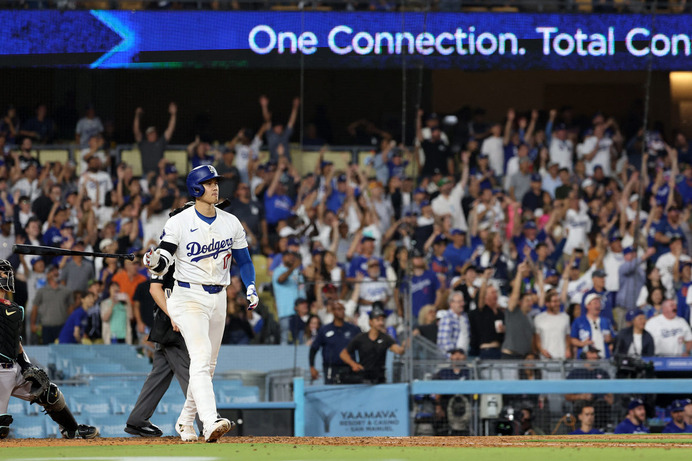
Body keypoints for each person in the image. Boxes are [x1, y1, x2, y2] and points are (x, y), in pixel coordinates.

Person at [143, 165, 258, 443]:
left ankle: (185, 421)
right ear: (196, 188)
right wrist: (155, 261)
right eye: (208, 183)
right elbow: (165, 257)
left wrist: (251, 286)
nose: (215, 187)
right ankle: (210, 421)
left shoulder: (231, 222)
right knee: (201, 356)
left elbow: (244, 261)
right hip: (187, 296)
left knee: (209, 365)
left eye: (216, 182)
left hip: (219, 296)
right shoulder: (178, 222)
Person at [0, 259, 98, 439]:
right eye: (4, 273)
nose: (8, 277)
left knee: (50, 393)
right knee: (1, 429)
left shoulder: (14, 309)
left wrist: (26, 365)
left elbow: (16, 343)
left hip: (13, 367)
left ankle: (71, 429)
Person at [125, 263, 201, 439]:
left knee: (158, 376)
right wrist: (174, 317)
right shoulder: (174, 259)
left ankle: (137, 419)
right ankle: (206, 421)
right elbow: (155, 290)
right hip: (172, 327)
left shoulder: (171, 259)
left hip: (164, 325)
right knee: (191, 375)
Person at [339, 307, 406, 384]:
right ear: (370, 322)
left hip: (380, 378)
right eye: (377, 320)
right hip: (363, 378)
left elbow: (397, 349)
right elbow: (343, 354)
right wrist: (353, 364)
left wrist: (403, 348)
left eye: (382, 320)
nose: (381, 323)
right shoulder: (361, 338)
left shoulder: (386, 338)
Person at [309, 301, 361, 384]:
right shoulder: (325, 329)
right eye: (338, 309)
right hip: (331, 368)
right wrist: (312, 367)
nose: (342, 311)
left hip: (349, 368)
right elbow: (314, 349)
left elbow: (362, 348)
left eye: (343, 309)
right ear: (333, 311)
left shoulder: (354, 329)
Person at [29, 264, 73, 344]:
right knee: (47, 350)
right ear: (47, 275)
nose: (55, 273)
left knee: (61, 350)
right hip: (46, 327)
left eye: (56, 271)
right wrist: (32, 324)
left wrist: (70, 324)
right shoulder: (41, 291)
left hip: (62, 326)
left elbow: (71, 308)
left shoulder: (66, 291)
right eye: (52, 271)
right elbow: (35, 307)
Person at [534, 289, 572, 359]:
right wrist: (541, 350)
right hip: (546, 358)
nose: (557, 304)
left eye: (558, 301)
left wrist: (568, 349)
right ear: (547, 303)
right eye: (554, 302)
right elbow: (537, 339)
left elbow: (567, 336)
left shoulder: (565, 317)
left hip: (562, 357)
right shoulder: (539, 318)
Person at [436, 292, 470, 357]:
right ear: (451, 303)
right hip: (449, 360)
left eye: (463, 301)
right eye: (459, 302)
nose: (462, 304)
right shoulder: (447, 318)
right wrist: (454, 355)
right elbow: (444, 341)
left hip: (463, 357)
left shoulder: (464, 317)